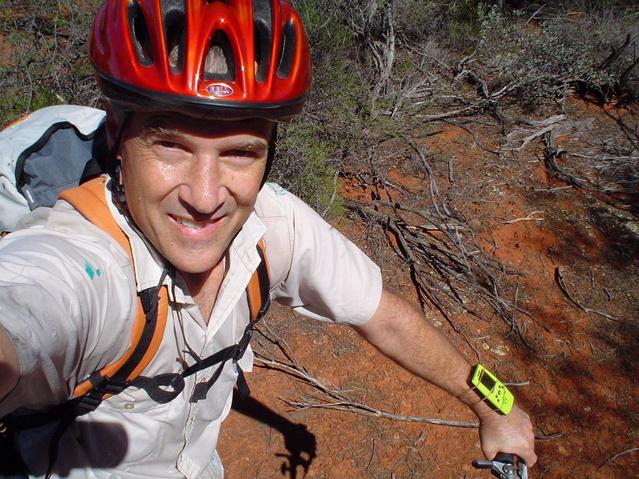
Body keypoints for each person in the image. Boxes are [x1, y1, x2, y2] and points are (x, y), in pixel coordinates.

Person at [0, 1, 536, 478]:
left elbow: (385, 316)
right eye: (170, 146)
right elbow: (30, 306)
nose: (206, 197)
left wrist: (498, 405)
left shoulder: (273, 228)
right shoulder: (85, 263)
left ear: (270, 154)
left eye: (239, 152)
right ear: (118, 140)